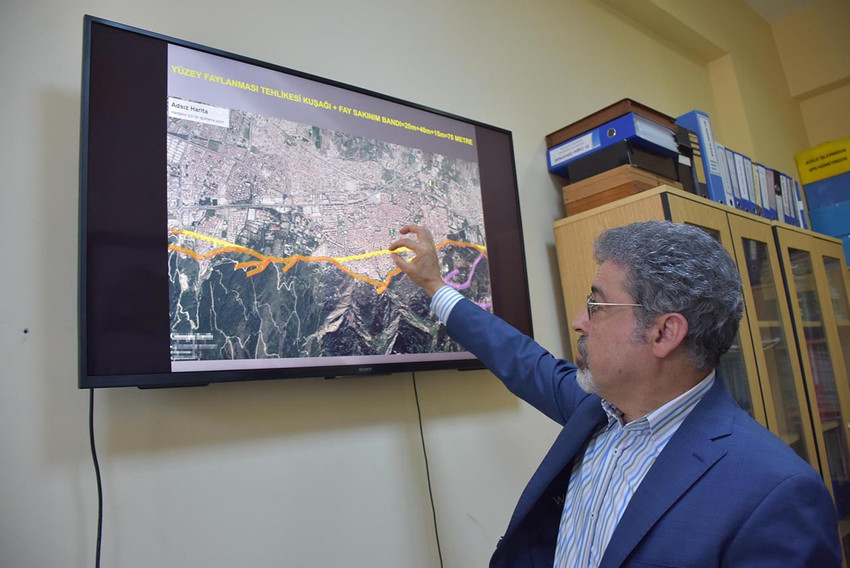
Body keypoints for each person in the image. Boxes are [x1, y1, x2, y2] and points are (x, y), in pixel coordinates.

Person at [388, 221, 841, 568]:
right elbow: (521, 360)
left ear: (665, 332)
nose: (579, 321)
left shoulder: (774, 493)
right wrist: (435, 287)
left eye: (597, 304)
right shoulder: (598, 410)